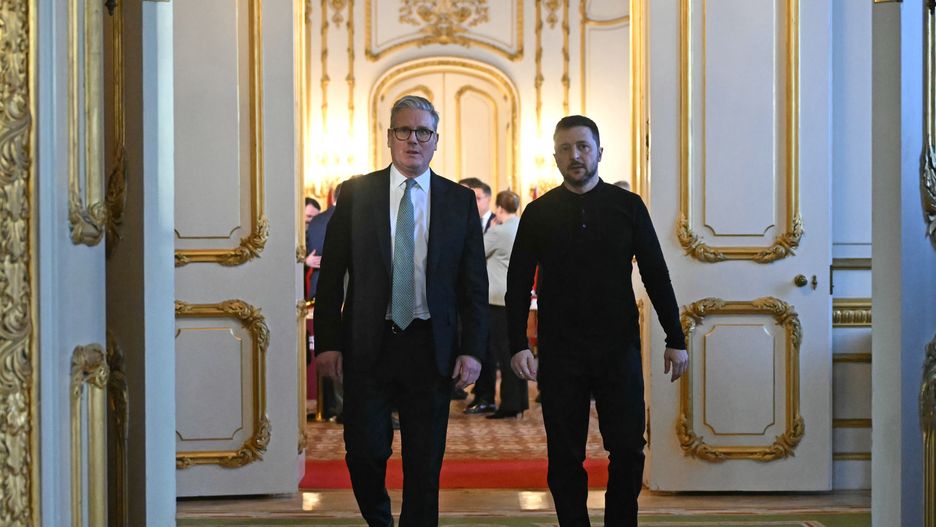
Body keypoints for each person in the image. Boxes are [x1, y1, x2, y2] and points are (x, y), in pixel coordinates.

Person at [314, 95, 488, 527]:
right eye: (404, 131)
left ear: (436, 140)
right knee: (365, 452)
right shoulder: (357, 194)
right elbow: (331, 276)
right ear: (389, 137)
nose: (413, 140)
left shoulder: (458, 201)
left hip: (431, 346)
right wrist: (329, 344)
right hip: (368, 345)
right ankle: (379, 521)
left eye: (423, 132)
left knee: (425, 460)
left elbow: (473, 287)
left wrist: (473, 350)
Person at [506, 115, 688, 526]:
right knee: (565, 454)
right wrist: (517, 342)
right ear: (555, 157)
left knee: (628, 448)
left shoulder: (627, 207)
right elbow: (517, 283)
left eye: (583, 147)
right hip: (560, 352)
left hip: (618, 348)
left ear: (599, 152)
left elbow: (656, 273)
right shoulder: (538, 213)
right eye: (566, 148)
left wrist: (674, 336)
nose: (576, 156)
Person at [483, 190, 528, 419]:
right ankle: (519, 401)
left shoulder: (499, 231)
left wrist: (490, 228)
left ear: (499, 208)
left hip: (497, 298)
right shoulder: (521, 226)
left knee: (503, 352)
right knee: (516, 349)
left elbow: (477, 251)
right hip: (514, 296)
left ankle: (509, 404)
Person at [458, 177, 496, 413]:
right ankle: (477, 391)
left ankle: (487, 394)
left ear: (487, 199)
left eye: (475, 197)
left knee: (488, 347)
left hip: (491, 297)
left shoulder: (497, 224)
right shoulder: (457, 221)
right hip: (464, 297)